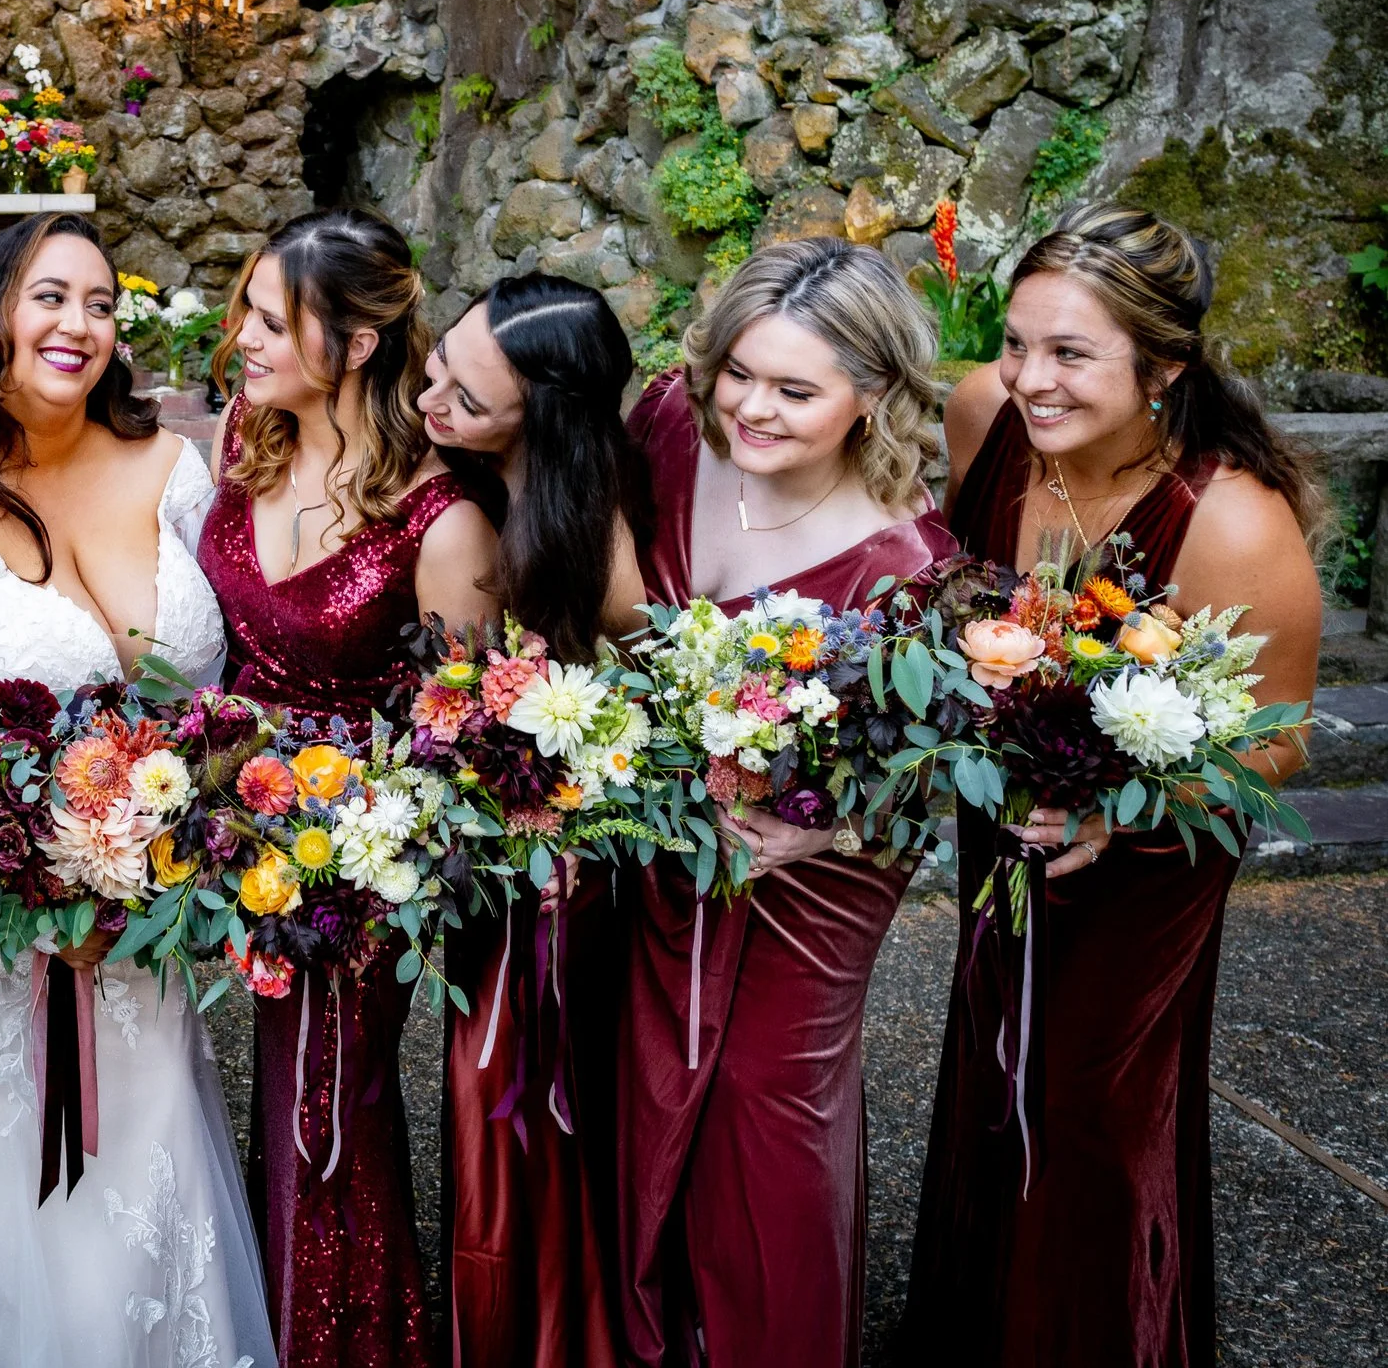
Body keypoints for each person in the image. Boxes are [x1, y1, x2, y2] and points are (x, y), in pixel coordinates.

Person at [0, 212, 275, 1368]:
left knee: (149, 1142)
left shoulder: (176, 468)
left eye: (102, 303)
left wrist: (163, 859)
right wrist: (26, 879)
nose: (80, 323)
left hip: (147, 906)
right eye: (50, 296)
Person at [901, 205, 1320, 1366]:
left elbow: (1275, 746)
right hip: (1006, 818)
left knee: (1090, 1112)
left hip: (1142, 854)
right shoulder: (984, 416)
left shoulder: (1230, 522)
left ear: (1165, 367)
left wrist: (1118, 808)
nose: (1030, 378)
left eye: (1071, 353)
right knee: (993, 1063)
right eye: (1018, 341)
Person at [615, 238, 953, 1368]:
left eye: (795, 391)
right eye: (738, 371)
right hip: (653, 844)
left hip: (812, 872)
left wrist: (824, 828)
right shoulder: (669, 425)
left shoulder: (908, 566)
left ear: (871, 398)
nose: (750, 409)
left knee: (771, 1108)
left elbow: (935, 777)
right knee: (639, 1089)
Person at [197, 208, 499, 1368]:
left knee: (327, 1115)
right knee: (247, 1106)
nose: (243, 340)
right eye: (244, 312)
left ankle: (346, 1346)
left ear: (361, 342)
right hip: (220, 824)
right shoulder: (246, 437)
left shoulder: (441, 518)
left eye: (273, 320)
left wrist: (353, 847)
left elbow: (456, 739)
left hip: (352, 860)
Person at [415, 273, 649, 1368]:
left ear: (540, 414)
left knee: (525, 1102)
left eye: (466, 397)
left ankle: (543, 1333)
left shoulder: (595, 548)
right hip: (479, 840)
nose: (432, 401)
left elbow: (646, 721)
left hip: (561, 870)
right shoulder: (465, 483)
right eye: (437, 367)